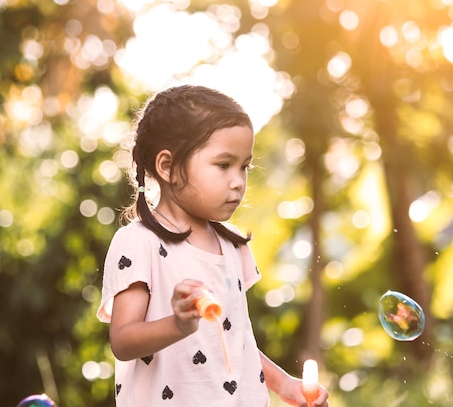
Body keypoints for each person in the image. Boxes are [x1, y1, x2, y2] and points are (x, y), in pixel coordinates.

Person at [97, 85, 329, 407]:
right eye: (223, 165)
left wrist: (284, 384)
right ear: (167, 167)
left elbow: (235, 343)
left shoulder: (232, 245)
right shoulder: (139, 243)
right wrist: (177, 324)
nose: (238, 181)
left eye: (244, 166)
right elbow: (123, 340)